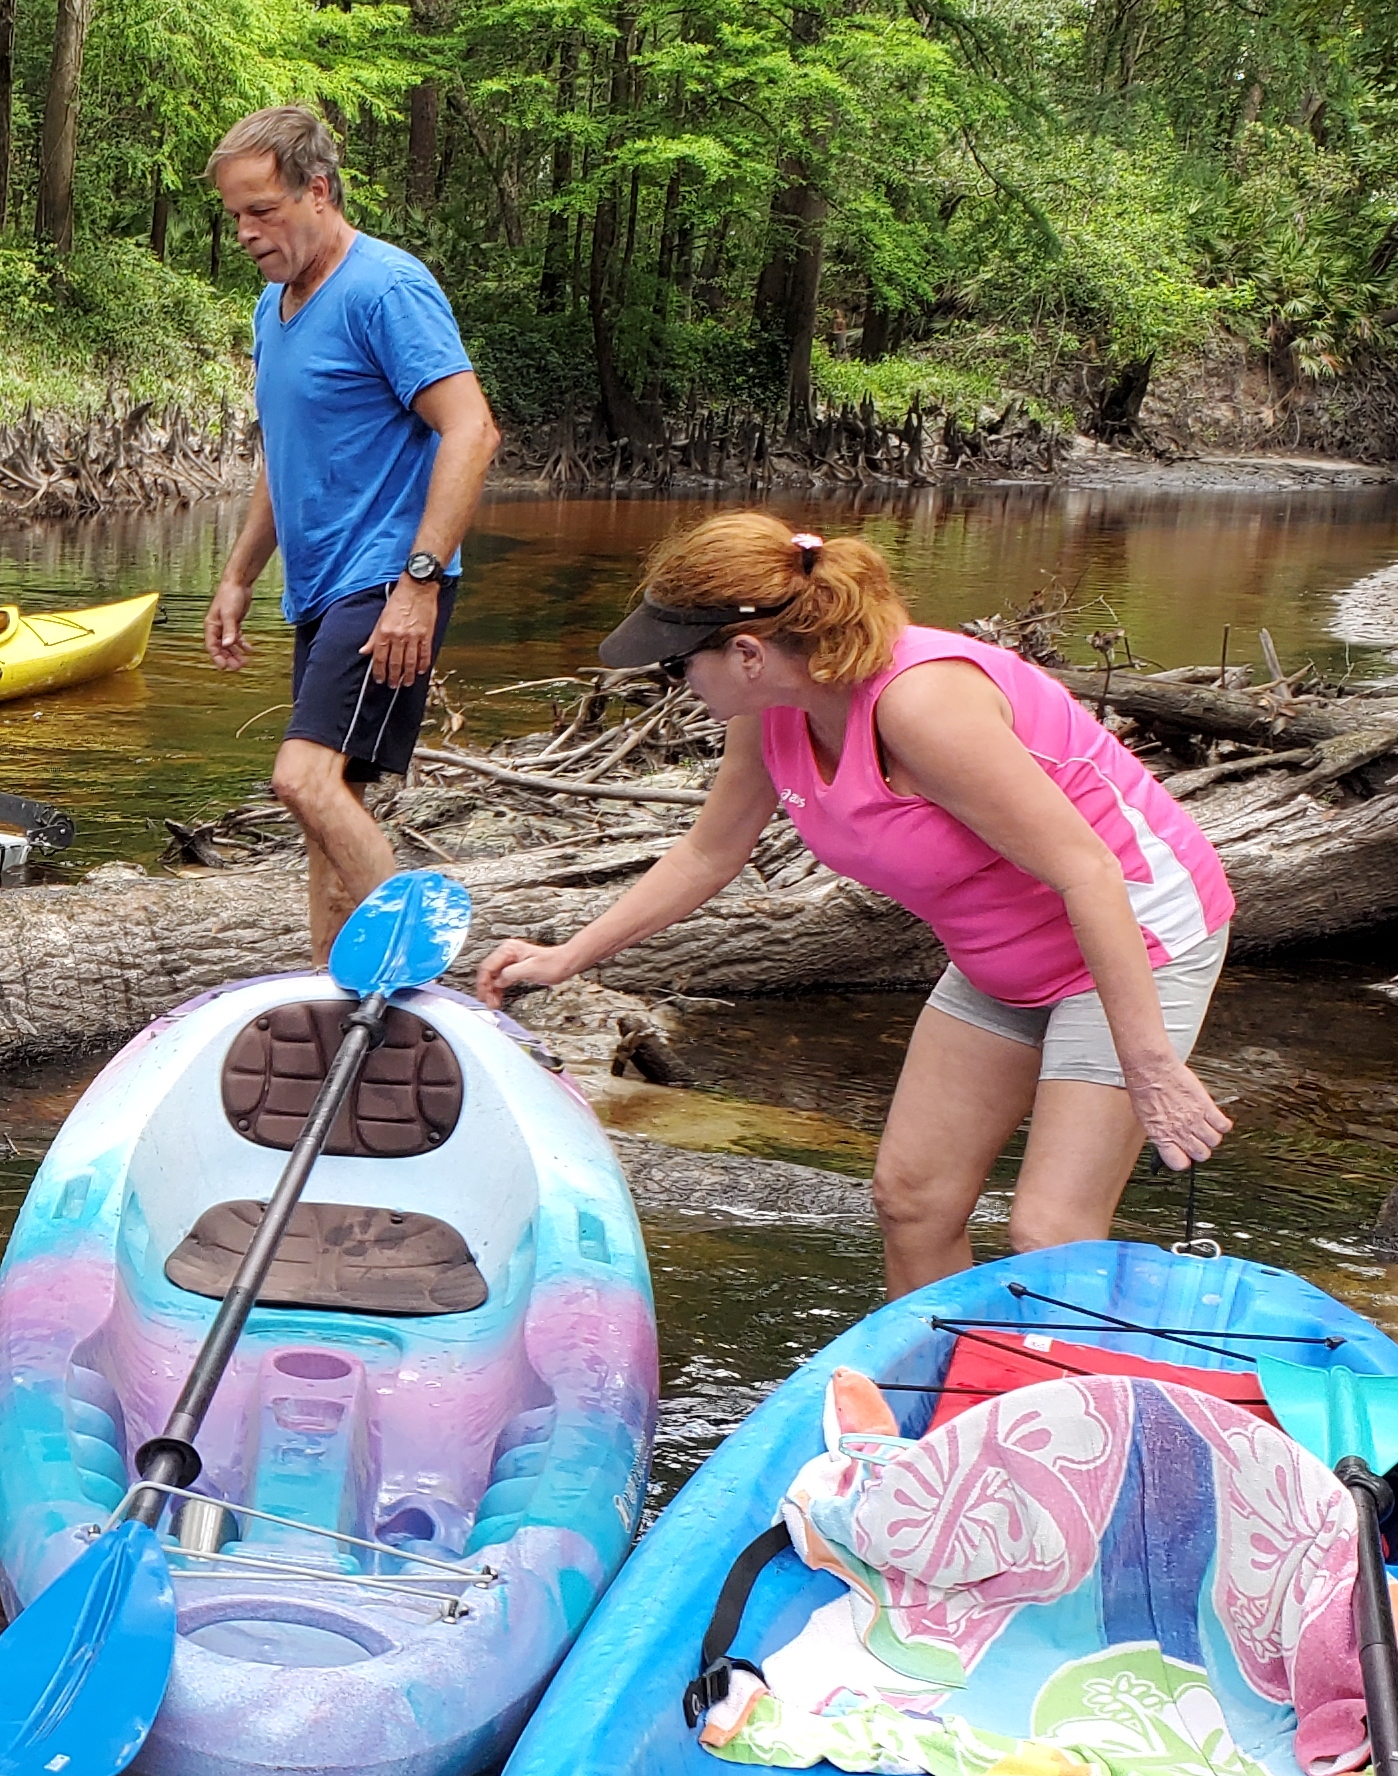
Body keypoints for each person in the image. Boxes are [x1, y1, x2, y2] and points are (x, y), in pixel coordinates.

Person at [473, 512, 1239, 1298]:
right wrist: (568, 955)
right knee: (911, 1200)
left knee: (1048, 1232)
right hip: (1000, 957)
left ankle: (1066, 1413)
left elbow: (1089, 870)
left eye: (678, 667)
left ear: (747, 653)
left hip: (1133, 937)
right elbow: (709, 853)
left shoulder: (922, 704)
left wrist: (1149, 1068)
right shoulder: (772, 712)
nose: (676, 686)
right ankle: (940, 1395)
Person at [199, 105, 504, 961]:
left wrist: (418, 582)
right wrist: (239, 574)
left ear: (318, 191)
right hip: (323, 584)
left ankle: (436, 977)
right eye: (235, 217)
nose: (247, 233)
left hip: (385, 581)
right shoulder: (272, 306)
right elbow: (285, 453)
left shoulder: (385, 287)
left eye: (262, 210)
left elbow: (471, 430)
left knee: (300, 779)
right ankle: (339, 997)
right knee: (331, 808)